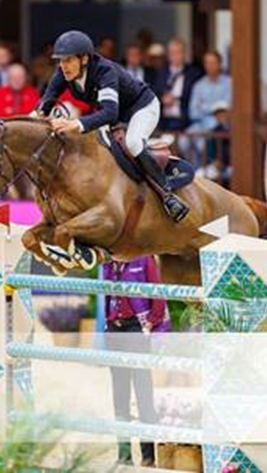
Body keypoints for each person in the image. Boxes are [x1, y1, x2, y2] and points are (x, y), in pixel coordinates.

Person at [36, 30, 189, 222]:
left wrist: (75, 124)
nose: (63, 66)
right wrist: (28, 120)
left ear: (84, 59)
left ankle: (167, 195)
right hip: (116, 116)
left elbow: (110, 113)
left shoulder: (104, 71)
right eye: (60, 60)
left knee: (133, 143)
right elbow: (46, 103)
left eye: (68, 60)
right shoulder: (63, 73)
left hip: (142, 108)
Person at [103, 255, 171, 467]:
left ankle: (148, 457)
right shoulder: (107, 261)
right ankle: (124, 456)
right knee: (119, 394)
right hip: (114, 329)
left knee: (143, 392)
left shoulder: (144, 258)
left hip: (136, 328)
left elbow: (158, 294)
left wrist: (150, 323)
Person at [154, 38, 201, 131]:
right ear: (168, 55)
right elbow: (154, 93)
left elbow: (195, 97)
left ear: (184, 54)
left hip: (183, 119)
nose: (175, 56)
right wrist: (162, 99)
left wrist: (176, 100)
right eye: (172, 53)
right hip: (163, 120)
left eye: (178, 52)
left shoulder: (193, 73)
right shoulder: (161, 73)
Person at [188, 50, 231, 131]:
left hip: (224, 126)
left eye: (213, 63)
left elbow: (226, 108)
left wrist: (203, 106)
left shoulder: (229, 83)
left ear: (220, 64)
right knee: (185, 136)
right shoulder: (198, 86)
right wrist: (216, 109)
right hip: (202, 125)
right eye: (207, 63)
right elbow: (193, 112)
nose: (210, 66)